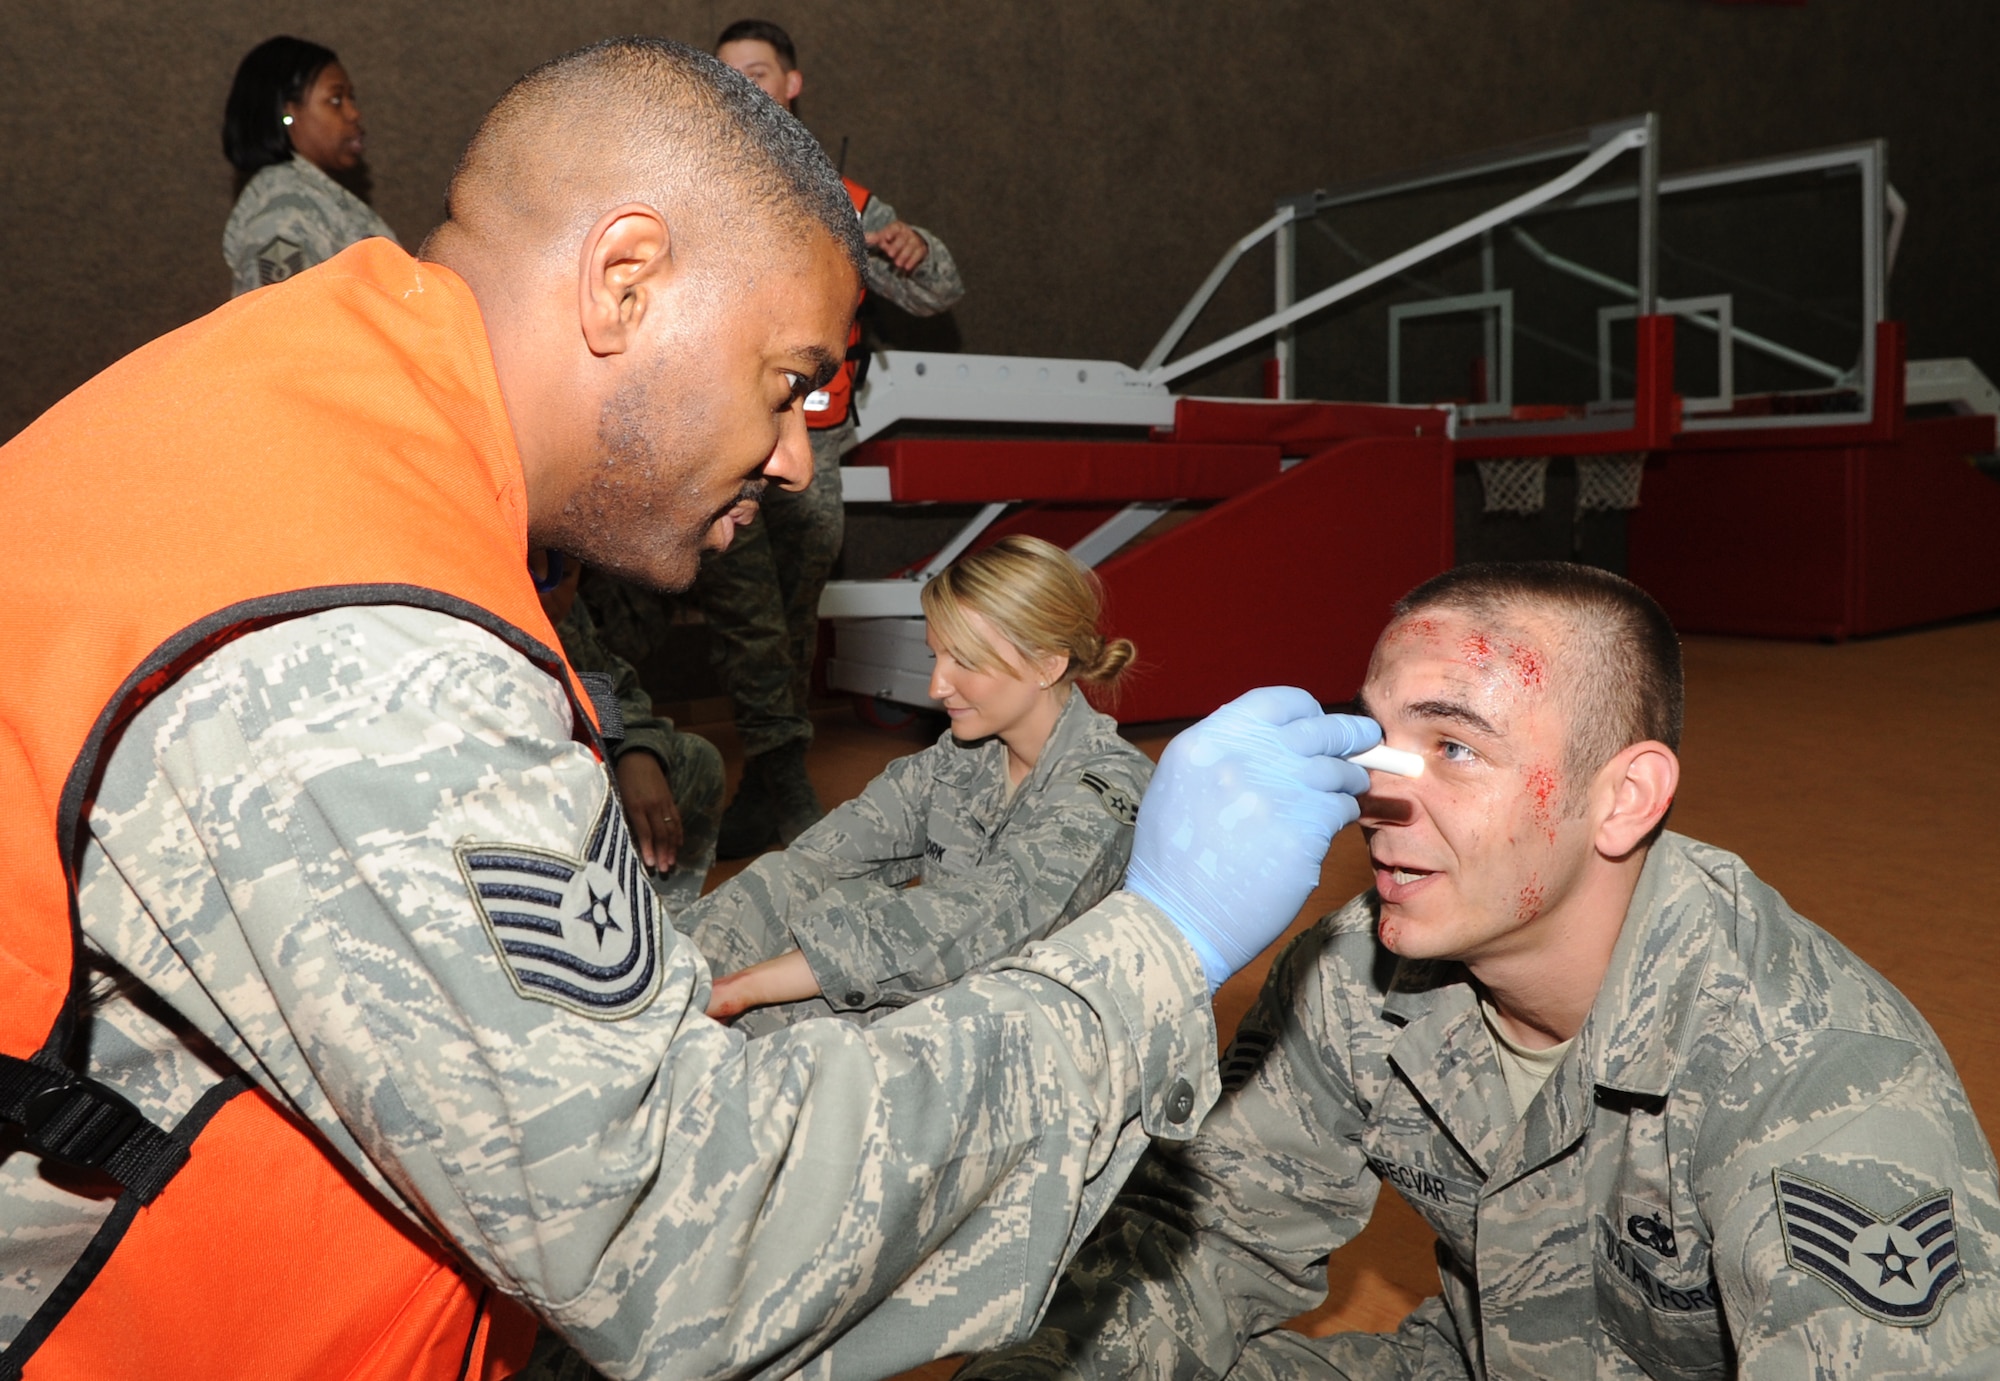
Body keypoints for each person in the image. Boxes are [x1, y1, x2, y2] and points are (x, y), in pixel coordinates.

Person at [0, 37, 1384, 1380]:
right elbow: (688, 1232)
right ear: (625, 280)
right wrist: (1164, 945)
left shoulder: (315, 424)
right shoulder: (368, 646)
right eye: (788, 384)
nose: (796, 458)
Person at [964, 560, 2000, 1381]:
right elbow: (1205, 1236)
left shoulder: (1819, 1084)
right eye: (1377, 737)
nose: (1380, 789)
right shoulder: (1356, 965)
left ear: (1624, 796)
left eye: (1452, 746)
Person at [687, 535, 1152, 1033]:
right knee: (785, 885)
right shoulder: (963, 758)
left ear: (1047, 664)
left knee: (775, 1025)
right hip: (950, 1005)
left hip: (1030, 1039)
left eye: (965, 662)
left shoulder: (1105, 791)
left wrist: (745, 990)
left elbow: (970, 922)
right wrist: (690, 966)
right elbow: (818, 860)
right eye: (936, 658)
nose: (936, 688)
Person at [699, 16, 968, 857]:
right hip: (726, 446)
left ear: (792, 84)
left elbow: (940, 289)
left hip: (818, 449)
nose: (744, 86)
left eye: (758, 71)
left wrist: (914, 251)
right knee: (746, 617)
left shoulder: (843, 200)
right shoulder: (698, 190)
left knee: (788, 616)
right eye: (727, 75)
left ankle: (770, 789)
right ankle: (784, 789)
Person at [536, 547, 724, 915]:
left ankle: (661, 928)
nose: (549, 590)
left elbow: (611, 685)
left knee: (694, 760)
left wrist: (638, 750)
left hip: (578, 786)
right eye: (531, 568)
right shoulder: (468, 610)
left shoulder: (566, 616)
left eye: (567, 573)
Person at [221, 35, 398, 297]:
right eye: (336, 100)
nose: (354, 113)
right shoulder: (283, 212)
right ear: (288, 112)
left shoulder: (315, 202)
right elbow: (287, 327)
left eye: (352, 98)